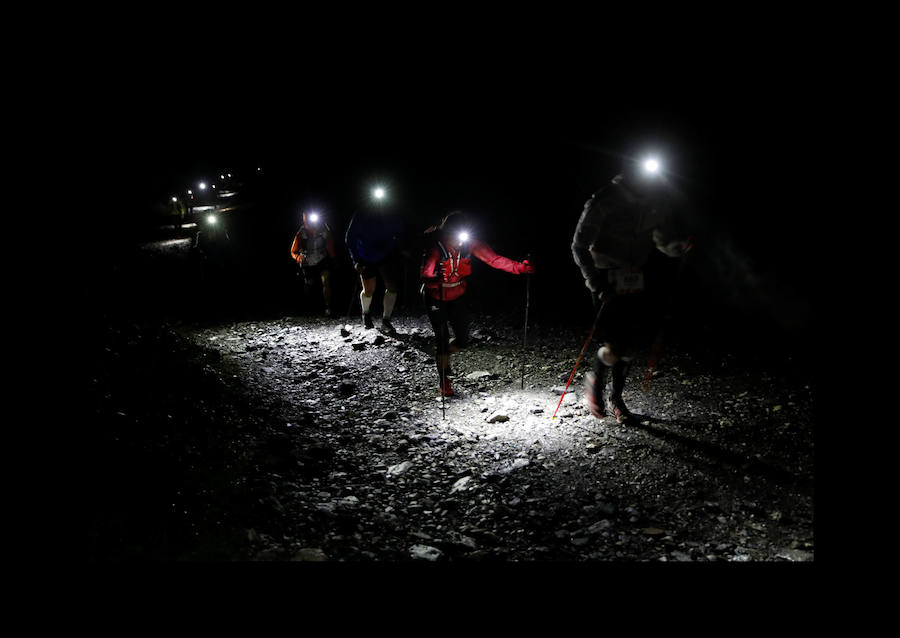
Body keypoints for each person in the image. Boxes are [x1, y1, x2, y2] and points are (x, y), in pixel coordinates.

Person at [572, 162, 693, 424]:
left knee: (629, 347)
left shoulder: (656, 202)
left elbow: (663, 240)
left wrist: (677, 248)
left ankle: (617, 399)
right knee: (614, 345)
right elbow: (579, 245)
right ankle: (596, 383)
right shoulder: (606, 198)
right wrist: (595, 283)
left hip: (634, 277)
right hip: (605, 277)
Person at [421, 211, 535, 397]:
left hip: (457, 295)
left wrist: (519, 268)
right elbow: (425, 275)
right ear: (446, 232)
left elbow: (494, 259)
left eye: (461, 235)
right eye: (453, 235)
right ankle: (444, 379)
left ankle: (444, 354)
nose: (458, 241)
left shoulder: (469, 244)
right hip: (436, 297)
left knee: (463, 340)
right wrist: (436, 278)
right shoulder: (436, 247)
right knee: (441, 339)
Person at [344, 203, 406, 333]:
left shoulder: (391, 212)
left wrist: (400, 248)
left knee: (392, 286)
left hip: (387, 254)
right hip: (365, 256)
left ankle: (386, 320)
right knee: (369, 290)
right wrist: (356, 260)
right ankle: (366, 314)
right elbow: (349, 239)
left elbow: (400, 231)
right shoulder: (360, 214)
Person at [291, 210, 337, 316]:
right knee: (310, 284)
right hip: (307, 262)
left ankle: (328, 307)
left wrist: (333, 259)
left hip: (322, 259)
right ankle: (310, 308)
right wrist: (299, 257)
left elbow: (330, 246)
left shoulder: (324, 229)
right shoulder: (301, 233)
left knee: (326, 281)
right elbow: (293, 251)